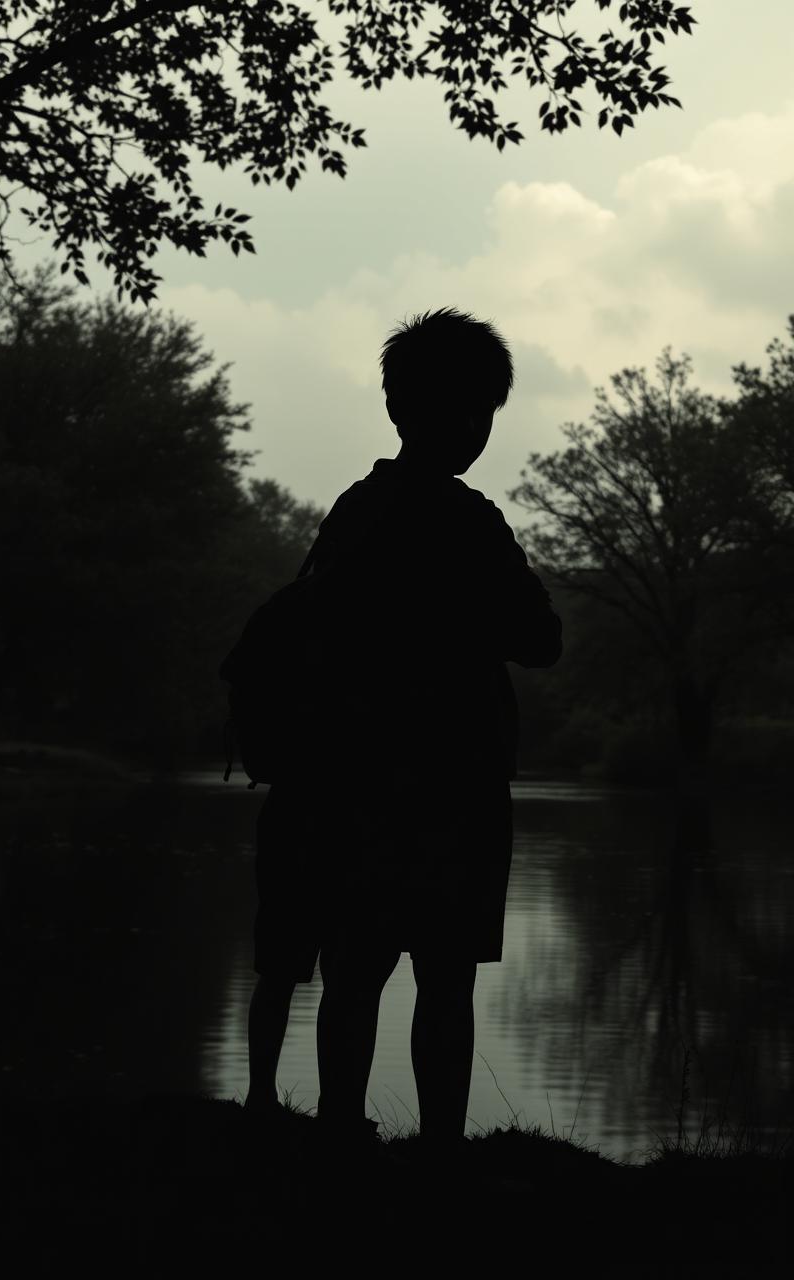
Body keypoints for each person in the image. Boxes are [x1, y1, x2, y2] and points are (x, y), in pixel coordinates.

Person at [243, 307, 562, 1152]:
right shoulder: (471, 520)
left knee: (355, 969)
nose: (472, 428)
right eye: (473, 411)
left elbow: (306, 632)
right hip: (454, 784)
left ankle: (340, 1135)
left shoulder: (354, 510)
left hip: (354, 781)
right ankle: (440, 1149)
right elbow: (542, 639)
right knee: (444, 978)